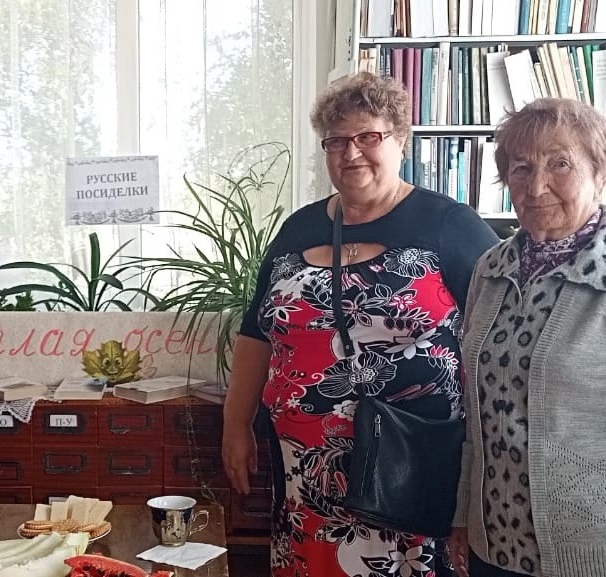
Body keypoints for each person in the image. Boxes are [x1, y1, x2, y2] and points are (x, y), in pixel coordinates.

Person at [221, 71, 499, 577]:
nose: (351, 153)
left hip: (410, 466)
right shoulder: (299, 228)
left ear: (400, 139)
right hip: (306, 473)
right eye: (336, 141)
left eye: (368, 136)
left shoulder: (449, 226)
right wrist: (235, 425)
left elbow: (498, 335)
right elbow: (256, 333)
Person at [449, 98, 606, 577]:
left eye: (560, 164)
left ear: (599, 173)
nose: (536, 187)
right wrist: (462, 516)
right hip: (493, 543)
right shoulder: (490, 268)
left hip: (588, 550)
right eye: (521, 168)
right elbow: (473, 412)